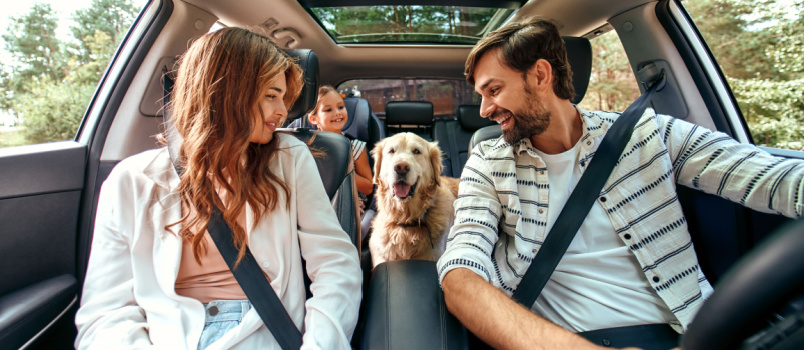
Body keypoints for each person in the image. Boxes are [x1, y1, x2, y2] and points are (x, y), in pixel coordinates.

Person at [436, 17, 804, 350]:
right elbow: (460, 273)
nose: (483, 110)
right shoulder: (488, 161)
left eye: (493, 90)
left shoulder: (649, 133)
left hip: (684, 334)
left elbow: (770, 177)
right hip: (553, 339)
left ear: (540, 76)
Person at [75, 27, 362, 350]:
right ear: (224, 91)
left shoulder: (290, 160)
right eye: (271, 95)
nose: (282, 111)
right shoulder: (130, 180)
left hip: (268, 332)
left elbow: (335, 264)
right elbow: (106, 313)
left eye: (283, 97)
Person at [307, 85, 374, 215]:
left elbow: (368, 188)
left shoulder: (356, 147)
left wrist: (339, 170)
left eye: (341, 107)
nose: (337, 112)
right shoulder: (307, 148)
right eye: (328, 110)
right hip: (315, 204)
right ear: (313, 118)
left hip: (348, 204)